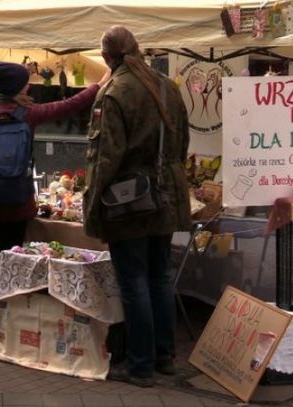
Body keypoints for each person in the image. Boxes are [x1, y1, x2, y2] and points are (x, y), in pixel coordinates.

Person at [82, 25, 192, 388]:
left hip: (130, 200)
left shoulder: (114, 91)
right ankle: (164, 356)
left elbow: (105, 158)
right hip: (166, 196)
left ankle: (141, 366)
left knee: (134, 281)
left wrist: (92, 205)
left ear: (106, 56)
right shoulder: (168, 86)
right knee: (160, 276)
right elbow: (181, 145)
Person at [0, 62, 110, 253]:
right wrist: (98, 85)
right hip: (19, 203)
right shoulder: (28, 114)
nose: (28, 86)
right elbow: (69, 105)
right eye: (25, 83)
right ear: (20, 88)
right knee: (15, 252)